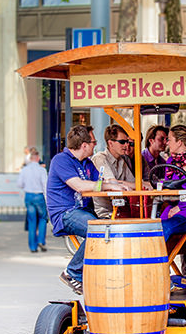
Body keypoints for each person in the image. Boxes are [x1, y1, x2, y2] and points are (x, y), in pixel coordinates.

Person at [47, 125, 131, 294]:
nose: (95, 145)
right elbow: (78, 185)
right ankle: (72, 272)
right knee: (100, 230)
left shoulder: (86, 163)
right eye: (94, 142)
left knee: (112, 229)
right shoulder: (61, 160)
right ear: (84, 145)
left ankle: (98, 276)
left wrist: (137, 185)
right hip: (65, 213)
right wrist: (109, 185)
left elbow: (106, 181)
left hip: (83, 212)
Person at [90, 125, 136, 218]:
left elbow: (135, 184)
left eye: (127, 142)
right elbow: (112, 183)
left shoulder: (122, 160)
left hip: (120, 210)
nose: (126, 145)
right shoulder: (100, 158)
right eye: (122, 142)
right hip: (104, 213)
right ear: (110, 143)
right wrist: (123, 184)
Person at [17, 147, 48, 253]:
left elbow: (19, 184)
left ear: (30, 158)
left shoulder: (24, 170)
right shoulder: (42, 170)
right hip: (39, 196)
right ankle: (41, 241)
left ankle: (32, 247)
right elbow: (45, 186)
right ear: (38, 158)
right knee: (43, 218)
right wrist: (47, 200)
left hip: (29, 196)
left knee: (31, 221)